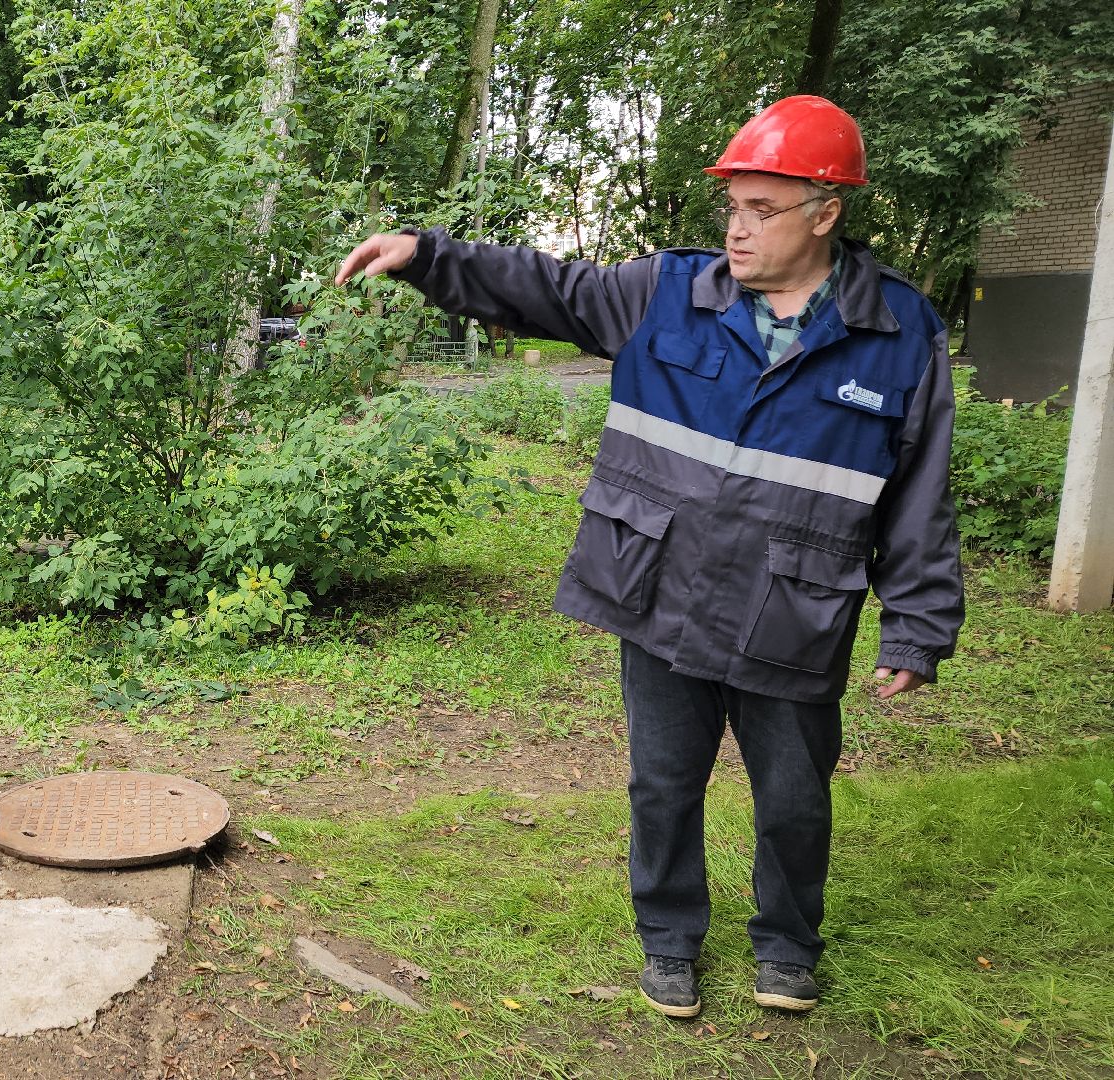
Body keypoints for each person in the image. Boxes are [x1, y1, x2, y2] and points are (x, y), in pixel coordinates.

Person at [335, 96, 963, 1017]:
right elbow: (549, 287)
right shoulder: (669, 292)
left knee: (793, 798)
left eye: (763, 209)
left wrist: (917, 626)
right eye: (732, 208)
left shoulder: (902, 333)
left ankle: (787, 946)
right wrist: (429, 257)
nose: (738, 230)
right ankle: (669, 940)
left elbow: (918, 491)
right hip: (662, 592)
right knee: (663, 785)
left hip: (793, 610)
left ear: (825, 212)